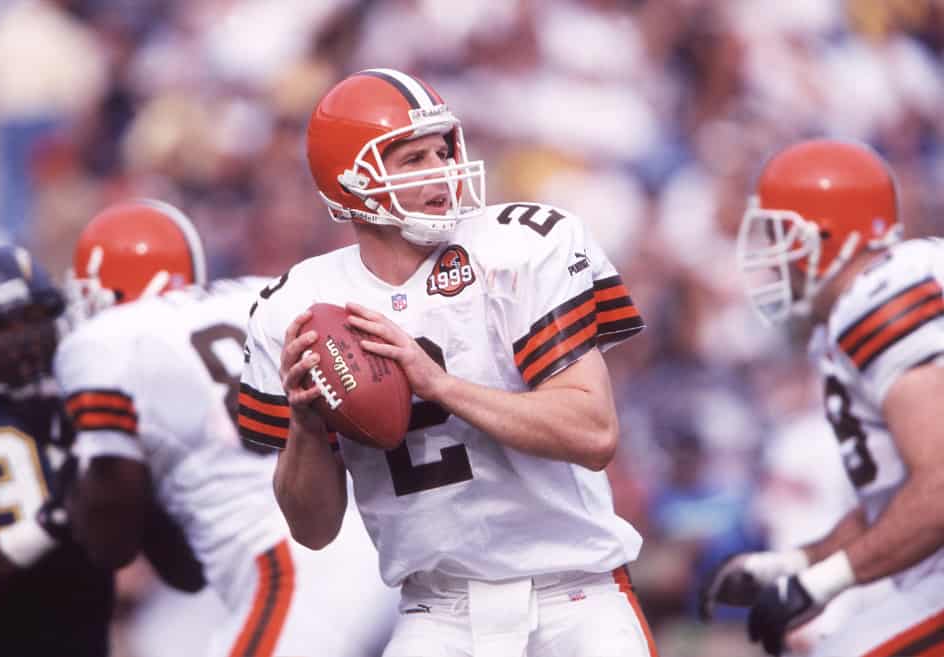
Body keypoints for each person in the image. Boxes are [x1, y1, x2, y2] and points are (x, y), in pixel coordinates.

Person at [239, 67, 658, 657]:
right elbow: (313, 530)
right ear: (349, 181)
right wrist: (306, 427)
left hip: (578, 599)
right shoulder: (298, 308)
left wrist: (438, 385)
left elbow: (593, 432)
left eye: (443, 150)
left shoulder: (521, 248)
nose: (441, 171)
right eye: (412, 160)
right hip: (437, 612)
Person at [58, 199, 397, 657]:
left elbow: (111, 541)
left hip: (296, 569)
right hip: (385, 549)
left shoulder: (110, 341)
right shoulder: (265, 292)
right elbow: (186, 570)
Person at [700, 138, 944, 656]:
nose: (772, 258)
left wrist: (823, 584)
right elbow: (898, 503)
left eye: (781, 237)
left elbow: (941, 484)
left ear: (824, 236)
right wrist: (797, 563)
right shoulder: (861, 310)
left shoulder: (883, 299)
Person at [0, 245, 115, 656]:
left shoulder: (86, 388)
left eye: (33, 318)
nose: (22, 338)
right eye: (1, 327)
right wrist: (49, 524)